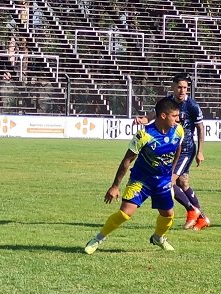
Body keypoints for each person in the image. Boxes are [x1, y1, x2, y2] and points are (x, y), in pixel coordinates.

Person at [84, 97, 184, 254]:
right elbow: (127, 160)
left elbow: (178, 148)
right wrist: (115, 186)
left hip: (163, 180)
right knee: (125, 213)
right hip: (141, 180)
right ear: (163, 115)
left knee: (168, 215)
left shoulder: (178, 130)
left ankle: (158, 237)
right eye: (175, 116)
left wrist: (171, 173)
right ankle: (97, 238)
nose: (178, 119)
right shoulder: (144, 135)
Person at [134, 74, 210, 231]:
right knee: (183, 184)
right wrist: (144, 120)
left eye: (185, 88)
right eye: (180, 87)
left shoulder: (192, 106)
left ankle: (192, 211)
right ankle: (202, 218)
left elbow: (200, 128)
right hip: (172, 149)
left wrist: (200, 151)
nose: (182, 90)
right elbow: (154, 115)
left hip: (186, 149)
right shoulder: (167, 102)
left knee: (168, 182)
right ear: (173, 87)